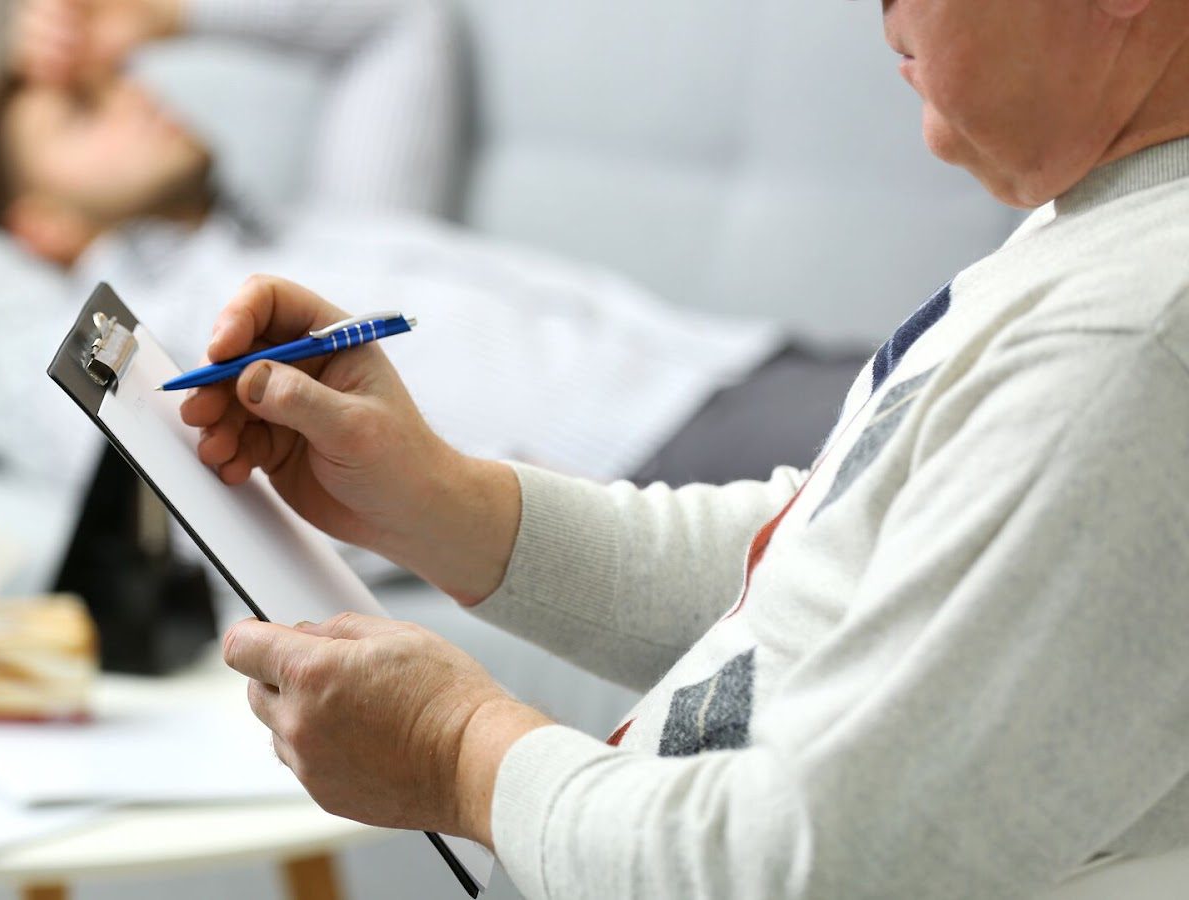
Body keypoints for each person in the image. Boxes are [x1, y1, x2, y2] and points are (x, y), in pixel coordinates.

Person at [179, 0, 1189, 897]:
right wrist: (438, 500)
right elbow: (827, 561)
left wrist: (454, 749)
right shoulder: (1103, 230)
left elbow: (815, 867)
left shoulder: (1128, 343)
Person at [0, 0, 865, 504]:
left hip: (751, 358)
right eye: (84, 112)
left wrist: (157, 15)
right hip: (659, 457)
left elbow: (400, 21)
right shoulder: (161, 335)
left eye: (120, 78)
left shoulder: (336, 217)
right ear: (40, 225)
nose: (134, 94)